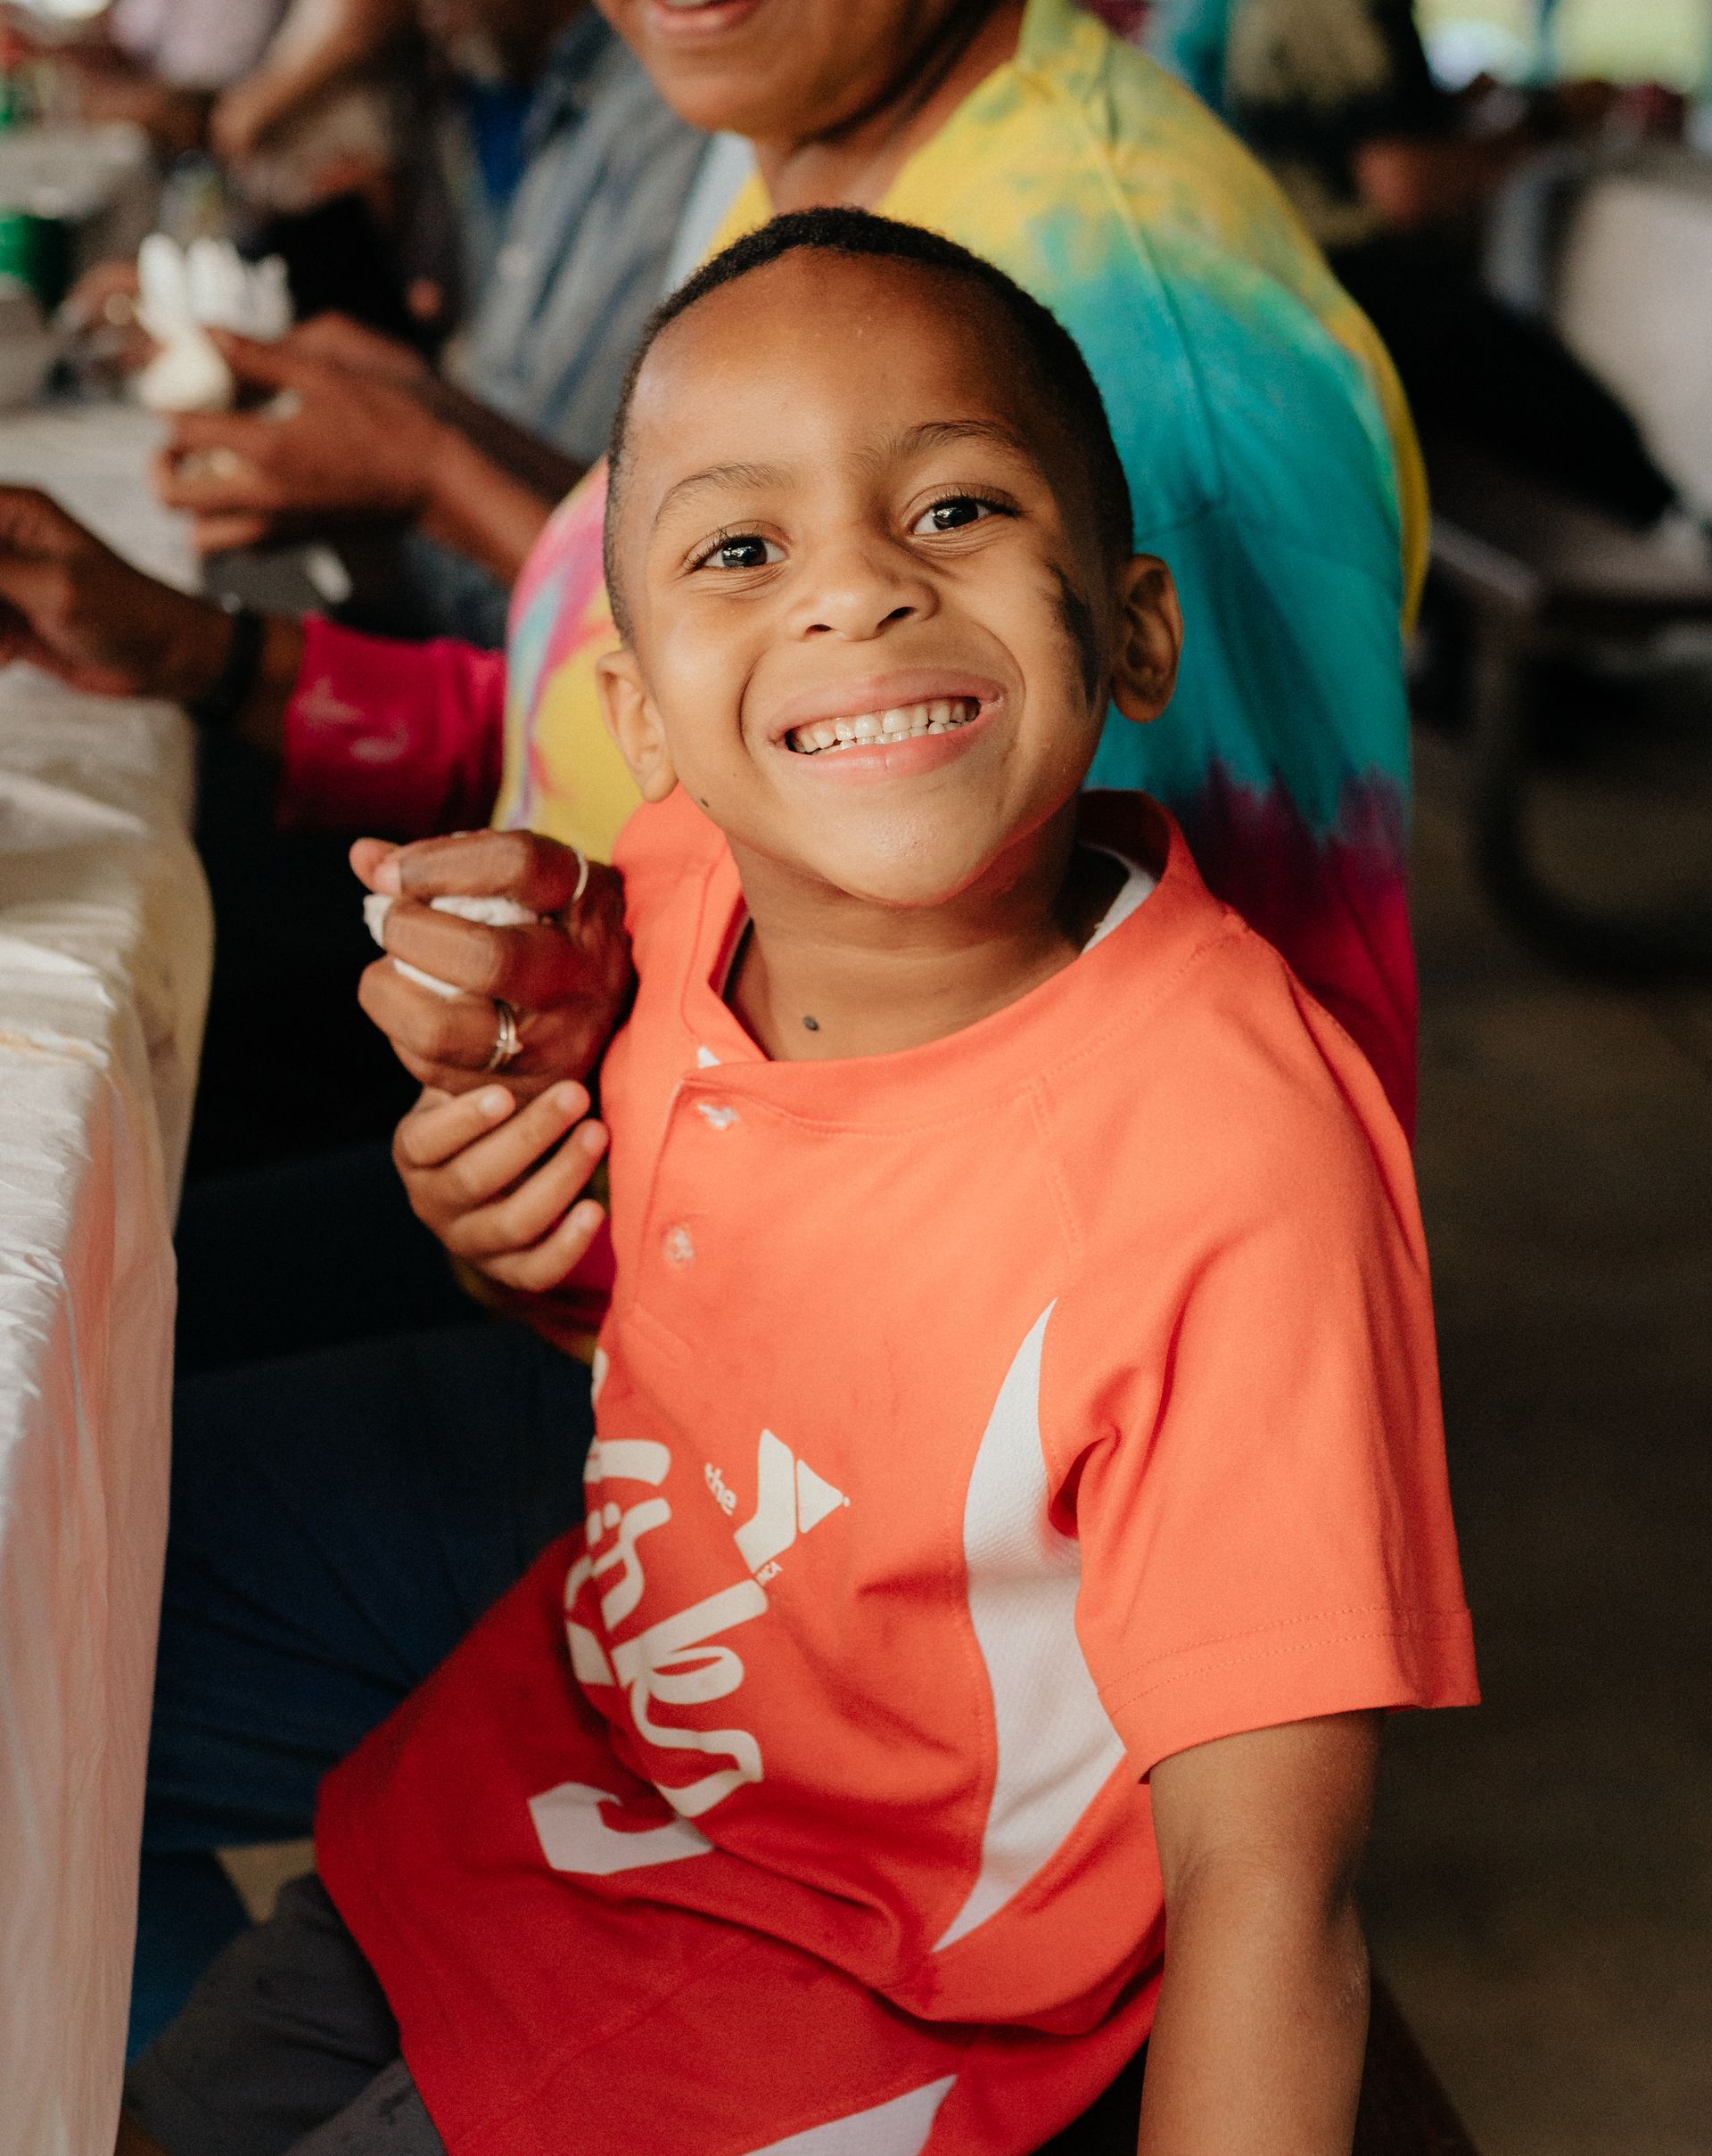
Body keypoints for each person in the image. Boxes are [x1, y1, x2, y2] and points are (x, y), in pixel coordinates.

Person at [119, 208, 1477, 2156]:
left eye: (956, 512)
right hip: (559, 1789)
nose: (854, 590)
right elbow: (722, 1350)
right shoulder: (672, 907)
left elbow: (1271, 1896)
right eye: (743, 548)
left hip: (865, 1980)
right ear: (644, 716)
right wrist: (510, 1192)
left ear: (1140, 625)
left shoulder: (1236, 1165)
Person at [149, 0, 720, 644]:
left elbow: (663, 592)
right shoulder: (558, 91)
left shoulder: (670, 105)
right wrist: (417, 404)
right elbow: (596, 497)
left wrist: (425, 469)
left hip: (528, 653)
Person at [1148, 0, 1686, 531]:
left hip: (1264, 296)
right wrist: (1551, 122)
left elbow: (1327, 118)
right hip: (1354, 306)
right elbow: (1403, 185)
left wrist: (1453, 106)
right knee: (1607, 454)